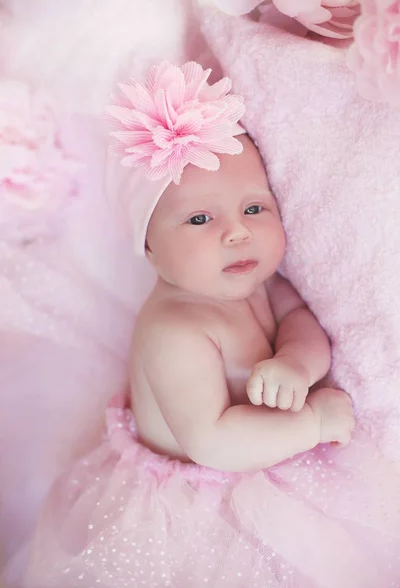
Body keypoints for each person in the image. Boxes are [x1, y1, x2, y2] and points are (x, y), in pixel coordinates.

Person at [25, 61, 400, 588]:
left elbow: (298, 318)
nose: (236, 234)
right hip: (200, 504)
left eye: (253, 208)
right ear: (149, 247)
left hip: (268, 459)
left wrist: (295, 360)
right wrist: (313, 424)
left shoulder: (255, 283)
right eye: (200, 219)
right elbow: (211, 441)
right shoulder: (175, 330)